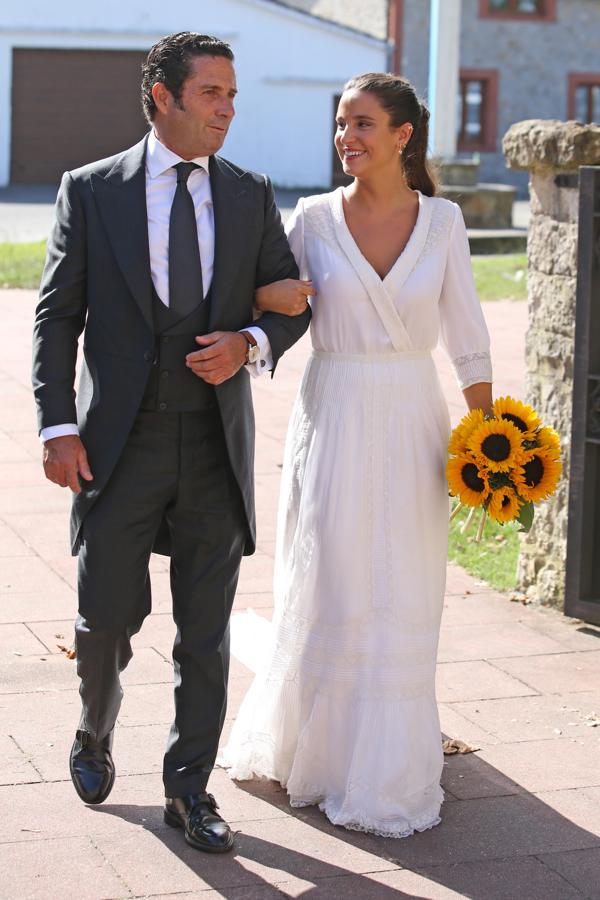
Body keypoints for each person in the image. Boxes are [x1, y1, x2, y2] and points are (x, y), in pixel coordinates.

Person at [31, 32, 311, 853]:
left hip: (213, 444)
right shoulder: (90, 191)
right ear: (163, 96)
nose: (227, 108)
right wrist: (57, 425)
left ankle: (189, 790)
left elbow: (289, 301)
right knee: (104, 619)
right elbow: (57, 316)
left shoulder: (252, 194)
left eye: (233, 95)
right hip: (118, 444)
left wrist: (250, 345)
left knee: (207, 631)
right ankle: (94, 726)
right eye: (212, 93)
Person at [220, 73, 493, 837]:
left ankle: (390, 763)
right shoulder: (309, 218)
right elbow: (271, 298)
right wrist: (262, 305)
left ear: (403, 135)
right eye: (341, 123)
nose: (347, 137)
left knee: (405, 582)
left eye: (363, 123)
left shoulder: (444, 223)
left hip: (412, 416)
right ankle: (323, 752)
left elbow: (469, 338)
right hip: (334, 411)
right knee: (333, 573)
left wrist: (489, 446)